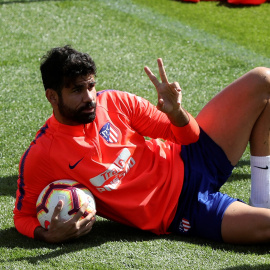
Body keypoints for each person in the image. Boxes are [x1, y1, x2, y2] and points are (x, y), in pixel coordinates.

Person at [13, 45, 270, 244]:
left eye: (91, 85)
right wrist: (47, 236)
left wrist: (176, 113)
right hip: (185, 209)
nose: (89, 97)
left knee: (263, 80)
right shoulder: (42, 153)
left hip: (193, 156)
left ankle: (262, 199)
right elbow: (22, 217)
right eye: (77, 90)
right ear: (52, 96)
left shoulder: (116, 102)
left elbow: (189, 137)